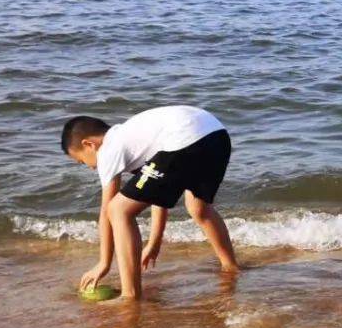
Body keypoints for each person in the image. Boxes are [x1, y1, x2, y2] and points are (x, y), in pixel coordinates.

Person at [60, 105, 239, 300]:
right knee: (199, 208)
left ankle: (130, 295)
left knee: (118, 209)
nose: (90, 168)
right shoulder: (136, 138)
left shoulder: (109, 148)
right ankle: (231, 267)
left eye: (82, 161)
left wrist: (104, 263)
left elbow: (107, 212)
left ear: (89, 145)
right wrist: (154, 244)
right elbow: (159, 194)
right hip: (216, 136)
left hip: (184, 138)